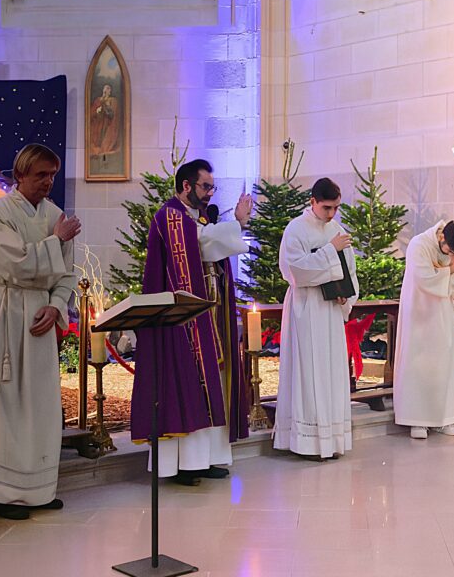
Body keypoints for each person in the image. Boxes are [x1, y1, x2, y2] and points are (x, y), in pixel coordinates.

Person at [0, 144, 80, 520]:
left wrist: (56, 305)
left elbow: (67, 274)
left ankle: (37, 489)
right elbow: (17, 264)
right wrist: (56, 241)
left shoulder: (55, 215)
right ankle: (1, 492)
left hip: (39, 314)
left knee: (39, 405)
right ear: (20, 173)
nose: (48, 182)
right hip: (3, 314)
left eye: (52, 175)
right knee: (3, 403)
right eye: (41, 174)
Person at [132, 159, 253, 483]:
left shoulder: (194, 217)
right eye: (205, 186)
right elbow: (203, 243)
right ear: (186, 186)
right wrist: (237, 224)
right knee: (186, 386)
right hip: (181, 323)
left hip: (207, 315)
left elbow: (208, 241)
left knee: (214, 383)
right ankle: (182, 465)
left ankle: (208, 458)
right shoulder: (170, 217)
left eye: (213, 187)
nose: (211, 193)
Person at [274, 178, 359, 460]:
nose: (332, 214)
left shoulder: (336, 229)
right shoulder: (296, 229)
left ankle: (332, 440)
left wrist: (346, 296)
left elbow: (350, 272)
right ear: (313, 201)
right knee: (309, 371)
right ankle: (307, 442)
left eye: (336, 207)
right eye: (326, 208)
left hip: (331, 313)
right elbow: (295, 272)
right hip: (306, 310)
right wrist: (329, 251)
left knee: (332, 372)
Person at [393, 220, 454, 439]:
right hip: (419, 311)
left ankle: (443, 419)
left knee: (445, 362)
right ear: (441, 237)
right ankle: (417, 420)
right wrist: (452, 268)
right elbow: (425, 279)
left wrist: (445, 270)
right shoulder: (419, 245)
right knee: (419, 364)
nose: (451, 254)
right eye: (449, 249)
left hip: (443, 309)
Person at [89, 84, 121, 156]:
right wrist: (97, 111)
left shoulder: (113, 101)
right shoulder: (98, 100)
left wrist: (107, 107)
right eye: (105, 89)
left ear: (110, 92)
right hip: (98, 124)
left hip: (106, 124)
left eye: (108, 89)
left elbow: (112, 114)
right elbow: (91, 113)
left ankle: (104, 147)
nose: (106, 91)